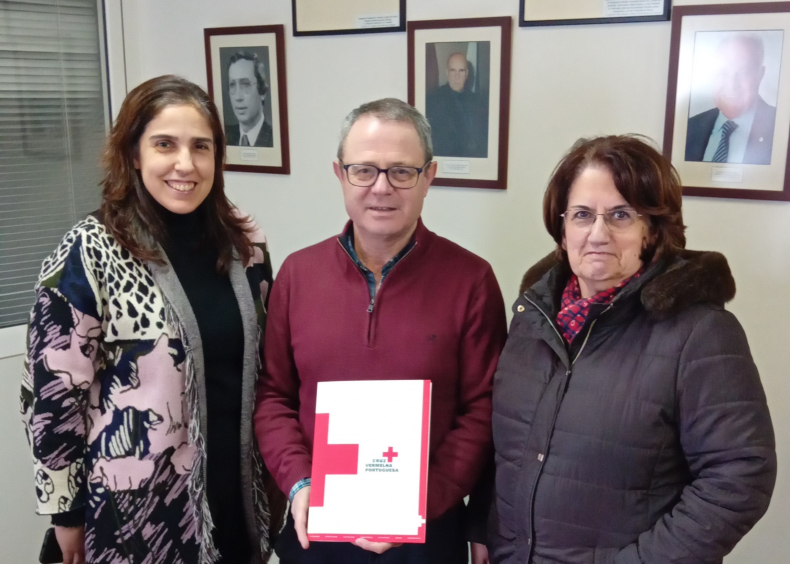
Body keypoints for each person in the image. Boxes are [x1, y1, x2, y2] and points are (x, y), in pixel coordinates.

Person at [21, 75, 285, 564]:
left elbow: (267, 367)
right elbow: (51, 398)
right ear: (134, 153)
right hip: (135, 516)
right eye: (165, 144)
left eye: (201, 146)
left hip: (235, 495)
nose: (186, 163)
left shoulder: (245, 244)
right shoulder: (90, 250)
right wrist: (67, 514)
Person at [483, 135, 777, 564]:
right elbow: (506, 449)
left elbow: (740, 478)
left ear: (651, 231)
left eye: (620, 215)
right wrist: (484, 530)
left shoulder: (701, 333)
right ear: (562, 230)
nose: (598, 234)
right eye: (582, 215)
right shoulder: (532, 319)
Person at [254, 98, 507, 564]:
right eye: (364, 170)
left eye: (402, 171)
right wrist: (299, 481)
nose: (381, 187)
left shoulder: (471, 280)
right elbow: (273, 396)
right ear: (340, 174)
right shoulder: (297, 275)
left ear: (429, 177)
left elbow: (484, 409)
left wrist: (423, 499)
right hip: (317, 528)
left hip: (428, 531)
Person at [686, 34, 776, 164]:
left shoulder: (781, 127)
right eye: (722, 72)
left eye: (743, 72)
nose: (731, 85)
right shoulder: (690, 127)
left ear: (760, 75)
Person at [426, 52, 489, 158]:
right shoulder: (434, 101)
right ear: (447, 73)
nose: (457, 76)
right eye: (453, 70)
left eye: (461, 71)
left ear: (467, 73)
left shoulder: (478, 101)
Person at [226, 51, 274, 147]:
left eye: (246, 84)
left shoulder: (274, 138)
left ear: (262, 91)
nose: (238, 97)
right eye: (232, 85)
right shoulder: (225, 136)